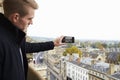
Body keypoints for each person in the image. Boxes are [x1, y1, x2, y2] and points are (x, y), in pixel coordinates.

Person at [0, 0, 64, 80]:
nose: (31, 22)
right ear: (16, 17)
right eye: (29, 18)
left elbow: (27, 47)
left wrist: (53, 43)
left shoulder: (14, 35)